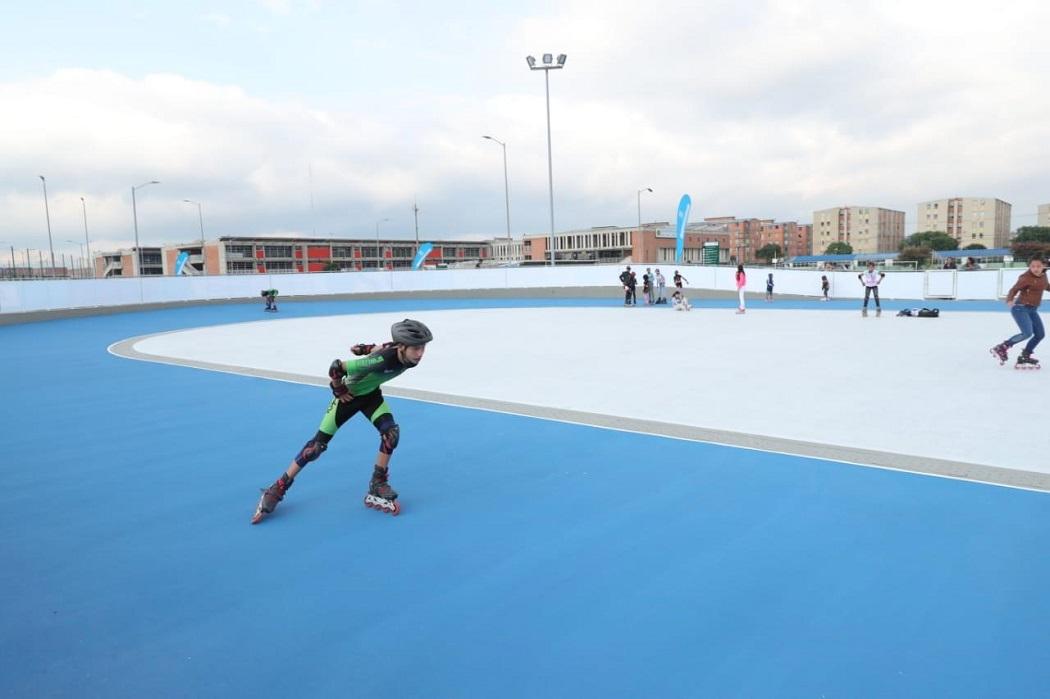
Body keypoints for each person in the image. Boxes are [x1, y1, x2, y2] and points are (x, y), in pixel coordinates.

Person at [251, 319, 434, 523]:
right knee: (316, 448)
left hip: (371, 397)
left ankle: (377, 482)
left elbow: (383, 347)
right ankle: (277, 487)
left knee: (391, 435)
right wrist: (338, 388)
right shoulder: (382, 360)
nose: (420, 354)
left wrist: (364, 348)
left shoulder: (401, 353)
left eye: (423, 348)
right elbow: (336, 367)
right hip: (347, 398)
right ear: (403, 346)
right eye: (416, 348)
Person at [989, 258, 1049, 369]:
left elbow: (1046, 286)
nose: (1035, 269)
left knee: (1040, 334)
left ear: (1043, 266)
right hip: (1020, 308)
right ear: (1029, 267)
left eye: (1038, 266)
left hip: (1033, 309)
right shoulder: (1025, 277)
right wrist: (1009, 299)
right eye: (1033, 266)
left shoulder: (1044, 276)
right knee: (1027, 333)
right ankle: (1002, 347)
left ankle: (1025, 356)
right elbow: (1014, 289)